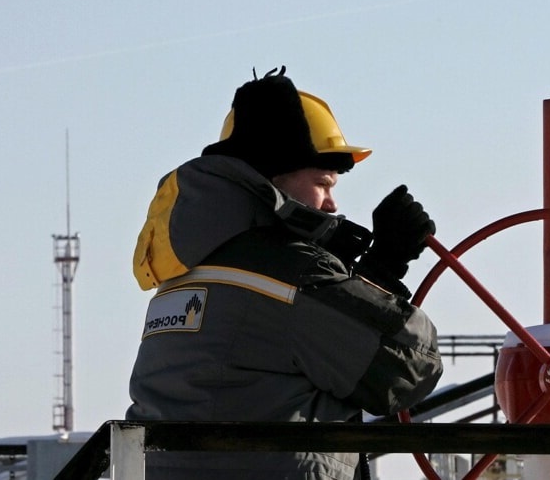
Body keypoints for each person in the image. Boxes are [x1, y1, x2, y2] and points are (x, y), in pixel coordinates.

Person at [126, 67, 443, 479]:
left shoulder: (186, 270)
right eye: (323, 183)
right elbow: (407, 368)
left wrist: (365, 279)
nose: (331, 204)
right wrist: (384, 267)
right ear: (273, 179)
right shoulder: (290, 276)